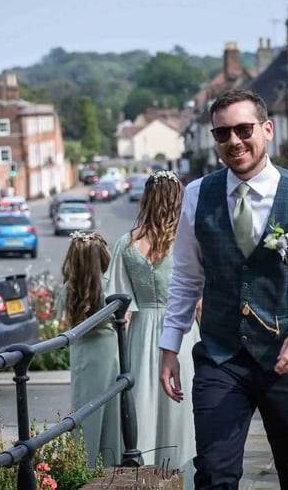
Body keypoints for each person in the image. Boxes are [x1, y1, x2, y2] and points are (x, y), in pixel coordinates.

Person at [159, 89, 288, 490]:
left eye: (244, 129)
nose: (234, 141)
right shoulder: (197, 196)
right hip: (221, 357)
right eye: (222, 133)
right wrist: (169, 346)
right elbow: (185, 277)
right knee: (214, 474)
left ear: (267, 129)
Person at [106, 169, 201, 490]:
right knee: (182, 409)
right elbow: (201, 301)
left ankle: (144, 478)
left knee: (142, 406)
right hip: (182, 334)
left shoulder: (126, 244)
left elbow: (119, 306)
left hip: (142, 334)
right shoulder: (189, 241)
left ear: (146, 199)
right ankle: (184, 479)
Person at [54, 231, 122, 467]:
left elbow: (60, 319)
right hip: (109, 354)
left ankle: (84, 462)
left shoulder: (68, 289)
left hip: (82, 356)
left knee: (84, 411)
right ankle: (111, 462)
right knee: (111, 410)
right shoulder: (111, 289)